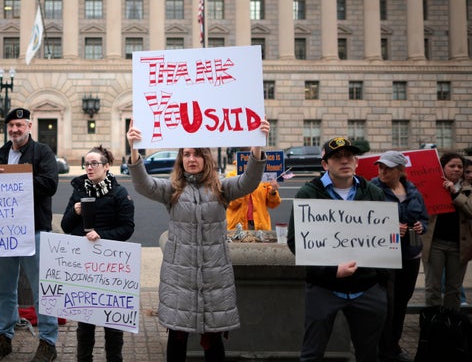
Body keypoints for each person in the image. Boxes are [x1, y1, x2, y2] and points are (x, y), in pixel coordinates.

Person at [125, 119, 270, 362]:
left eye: (197, 154)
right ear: (181, 159)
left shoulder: (221, 188)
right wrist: (133, 150)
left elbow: (249, 182)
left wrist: (257, 147)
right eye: (187, 154)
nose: (192, 159)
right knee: (177, 337)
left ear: (207, 158)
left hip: (214, 277)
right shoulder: (172, 189)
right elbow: (144, 185)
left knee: (212, 340)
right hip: (179, 277)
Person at [287, 137, 388, 362]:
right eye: (337, 157)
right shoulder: (308, 194)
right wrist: (331, 270)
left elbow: (384, 239)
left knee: (368, 353)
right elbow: (296, 242)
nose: (344, 161)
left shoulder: (373, 193)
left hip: (367, 289)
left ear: (356, 162)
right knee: (312, 354)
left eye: (349, 156)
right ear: (325, 164)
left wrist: (380, 280)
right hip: (325, 288)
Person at [0, 108, 59, 362]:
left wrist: (14, 177)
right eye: (11, 125)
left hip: (34, 229)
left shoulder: (42, 152)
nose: (15, 129)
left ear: (29, 126)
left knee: (42, 290)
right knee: (5, 290)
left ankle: (48, 342)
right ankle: (4, 337)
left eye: (19, 124)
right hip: (4, 231)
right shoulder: (0, 154)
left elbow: (50, 185)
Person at [61, 145, 135, 362]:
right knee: (85, 322)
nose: (89, 167)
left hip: (110, 265)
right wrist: (75, 213)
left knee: (113, 323)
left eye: (94, 163)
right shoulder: (78, 191)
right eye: (87, 163)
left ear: (106, 166)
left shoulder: (119, 193)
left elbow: (127, 228)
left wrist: (100, 235)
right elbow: (66, 226)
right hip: (84, 266)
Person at [370, 151, 428, 362]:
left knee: (402, 302)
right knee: (387, 303)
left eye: (388, 168)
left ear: (401, 170)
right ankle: (383, 349)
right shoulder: (372, 189)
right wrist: (389, 227)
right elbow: (364, 221)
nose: (382, 171)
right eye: (380, 167)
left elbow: (423, 217)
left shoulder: (413, 191)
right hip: (385, 255)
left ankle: (393, 346)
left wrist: (422, 226)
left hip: (411, 255)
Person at [420, 152, 472, 309]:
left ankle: (451, 325)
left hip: (458, 247)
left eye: (460, 167)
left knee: (454, 289)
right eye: (452, 166)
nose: (456, 169)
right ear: (442, 168)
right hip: (435, 244)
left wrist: (455, 193)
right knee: (433, 288)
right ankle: (434, 325)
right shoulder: (432, 185)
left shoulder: (468, 189)